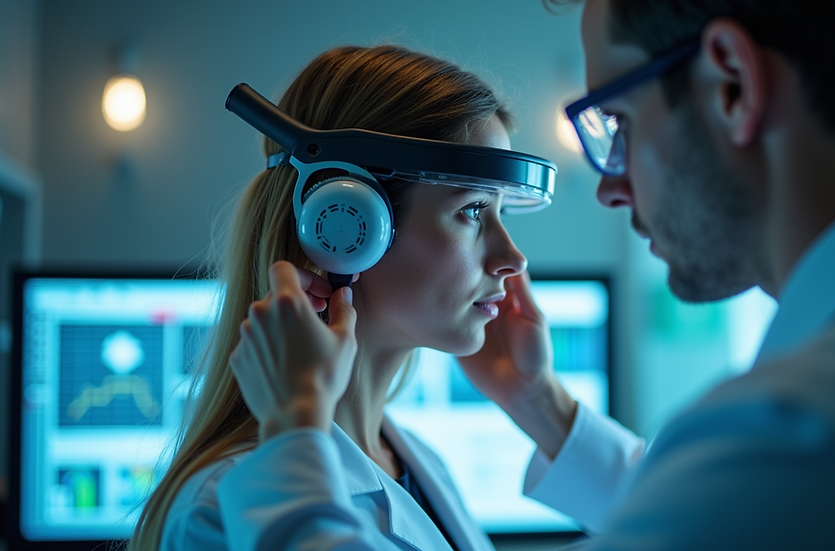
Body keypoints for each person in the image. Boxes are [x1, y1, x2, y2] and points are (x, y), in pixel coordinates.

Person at [226, 0, 835, 549]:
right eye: (471, 210)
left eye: (617, 123)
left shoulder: (807, 436)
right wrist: (540, 402)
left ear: (732, 86)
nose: (613, 186)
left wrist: (293, 440)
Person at [128, 44, 543, 551]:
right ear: (351, 223)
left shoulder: (415, 461)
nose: (513, 257)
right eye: (475, 210)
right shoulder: (219, 510)